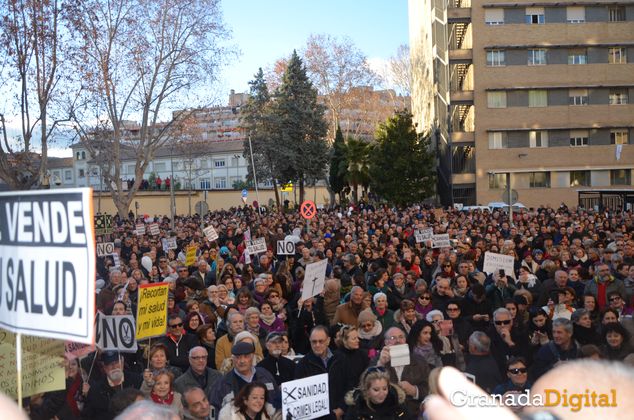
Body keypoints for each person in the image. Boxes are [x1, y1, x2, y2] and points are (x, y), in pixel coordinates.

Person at [209, 341, 279, 414]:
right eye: (238, 357)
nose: (242, 361)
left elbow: (277, 400)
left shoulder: (265, 375)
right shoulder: (222, 384)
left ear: (252, 357)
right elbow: (213, 411)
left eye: (246, 356)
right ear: (232, 359)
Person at [294, 325, 347, 419]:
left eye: (321, 341)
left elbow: (349, 384)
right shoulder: (302, 365)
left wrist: (341, 409)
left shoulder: (341, 359)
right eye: (314, 342)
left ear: (328, 341)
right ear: (310, 341)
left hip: (341, 413)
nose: (317, 345)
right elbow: (301, 398)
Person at [374, 326, 430, 415]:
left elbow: (429, 388)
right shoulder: (377, 360)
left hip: (415, 412)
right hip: (387, 412)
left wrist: (414, 390)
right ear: (386, 342)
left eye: (401, 337)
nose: (398, 341)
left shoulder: (419, 361)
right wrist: (380, 364)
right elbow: (367, 385)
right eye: (393, 338)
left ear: (405, 340)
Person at [83, 351, 143, 420]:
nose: (114, 367)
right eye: (109, 364)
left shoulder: (137, 380)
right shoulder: (95, 390)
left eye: (117, 362)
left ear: (122, 362)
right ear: (104, 368)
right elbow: (88, 415)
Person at [344, 368, 409, 420]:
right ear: (367, 390)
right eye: (376, 390)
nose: (382, 393)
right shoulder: (356, 407)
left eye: (384, 389)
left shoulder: (397, 403)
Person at [335, 325, 370, 397]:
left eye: (357, 337)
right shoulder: (337, 357)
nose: (358, 340)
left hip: (363, 392)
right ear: (345, 341)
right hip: (345, 395)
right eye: (354, 339)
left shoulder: (362, 354)